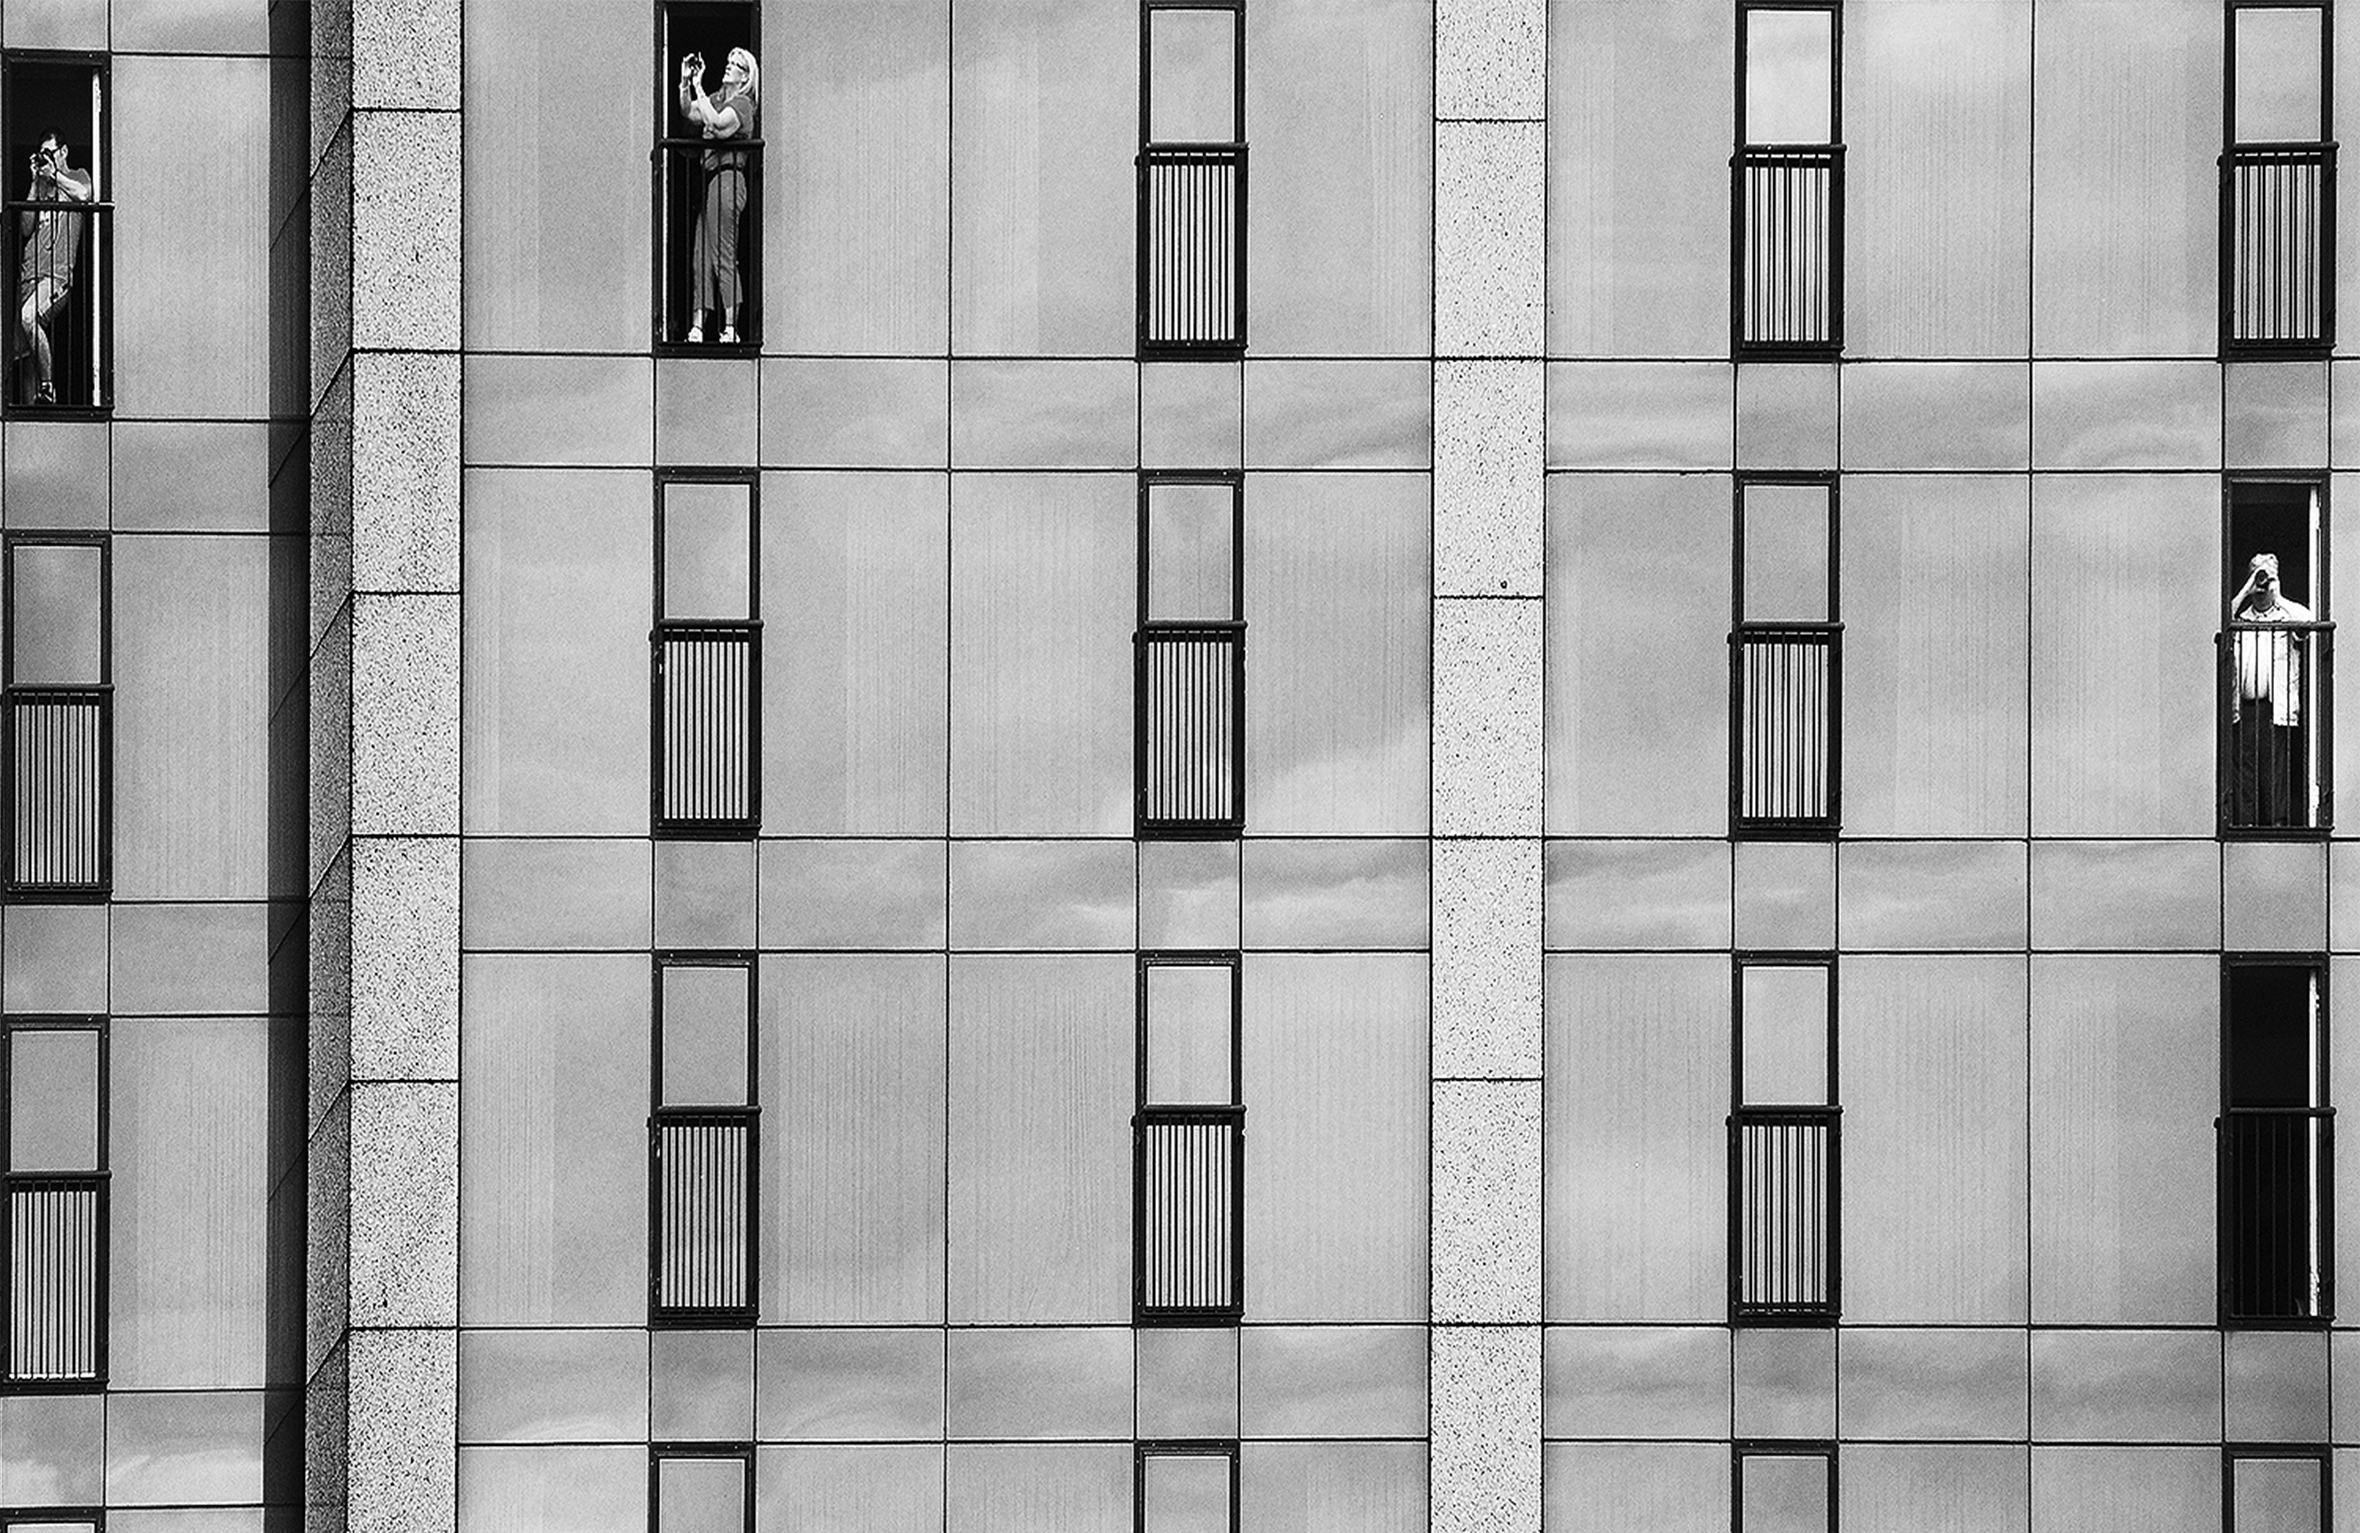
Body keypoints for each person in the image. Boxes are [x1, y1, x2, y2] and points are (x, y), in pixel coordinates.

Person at [677, 46, 759, 345]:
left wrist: (698, 86)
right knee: (701, 255)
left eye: (734, 64)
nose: (727, 66)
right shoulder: (718, 99)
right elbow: (689, 111)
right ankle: (698, 326)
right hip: (711, 181)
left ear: (745, 76)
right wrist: (686, 82)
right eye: (727, 61)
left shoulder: (743, 105)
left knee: (723, 254)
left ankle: (730, 328)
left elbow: (717, 126)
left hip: (728, 179)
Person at [2229, 552, 2315, 826]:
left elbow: (2308, 622)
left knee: (2275, 769)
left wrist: (2278, 595)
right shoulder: (2240, 618)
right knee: (2245, 770)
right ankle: (2247, 823)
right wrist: (2246, 589)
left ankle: (2277, 823)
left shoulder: (2286, 615)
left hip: (2274, 707)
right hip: (2245, 707)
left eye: (2267, 576)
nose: (2262, 582)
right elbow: (2220, 619)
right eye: (2258, 574)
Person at [16, 131, 91, 406]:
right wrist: (36, 181)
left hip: (56, 275)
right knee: (23, 355)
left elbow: (84, 195)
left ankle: (48, 388)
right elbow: (25, 227)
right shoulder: (42, 187)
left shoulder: (77, 175)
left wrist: (55, 175)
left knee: (28, 318)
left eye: (51, 151)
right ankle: (30, 412)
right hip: (28, 274)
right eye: (42, 153)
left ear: (64, 151)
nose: (47, 157)